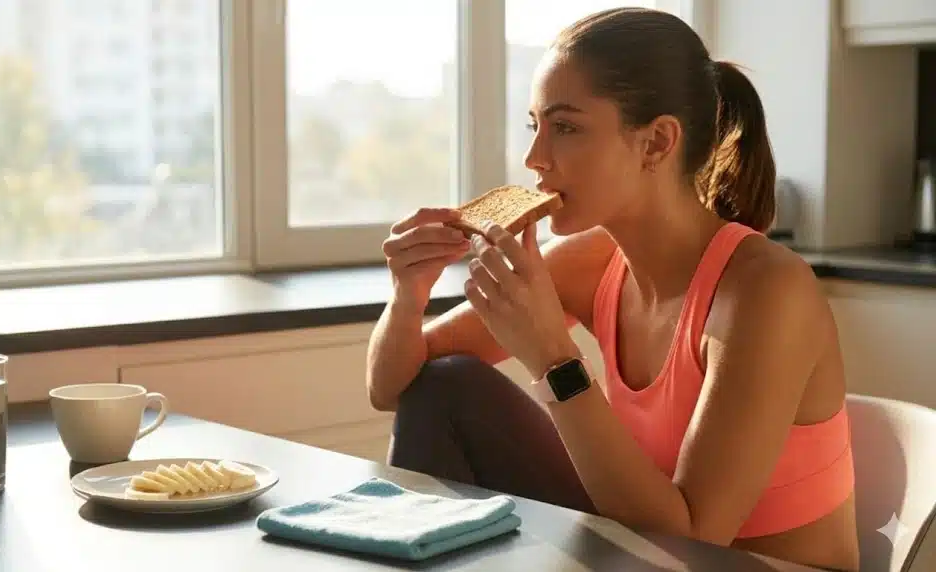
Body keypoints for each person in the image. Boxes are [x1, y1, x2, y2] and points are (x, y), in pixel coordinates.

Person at [365, 7, 859, 572]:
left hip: (720, 561)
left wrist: (553, 357)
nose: (534, 159)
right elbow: (395, 385)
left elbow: (693, 537)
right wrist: (408, 295)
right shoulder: (591, 263)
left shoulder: (766, 290)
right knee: (445, 386)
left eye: (567, 127)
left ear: (656, 143)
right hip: (641, 552)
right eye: (536, 126)